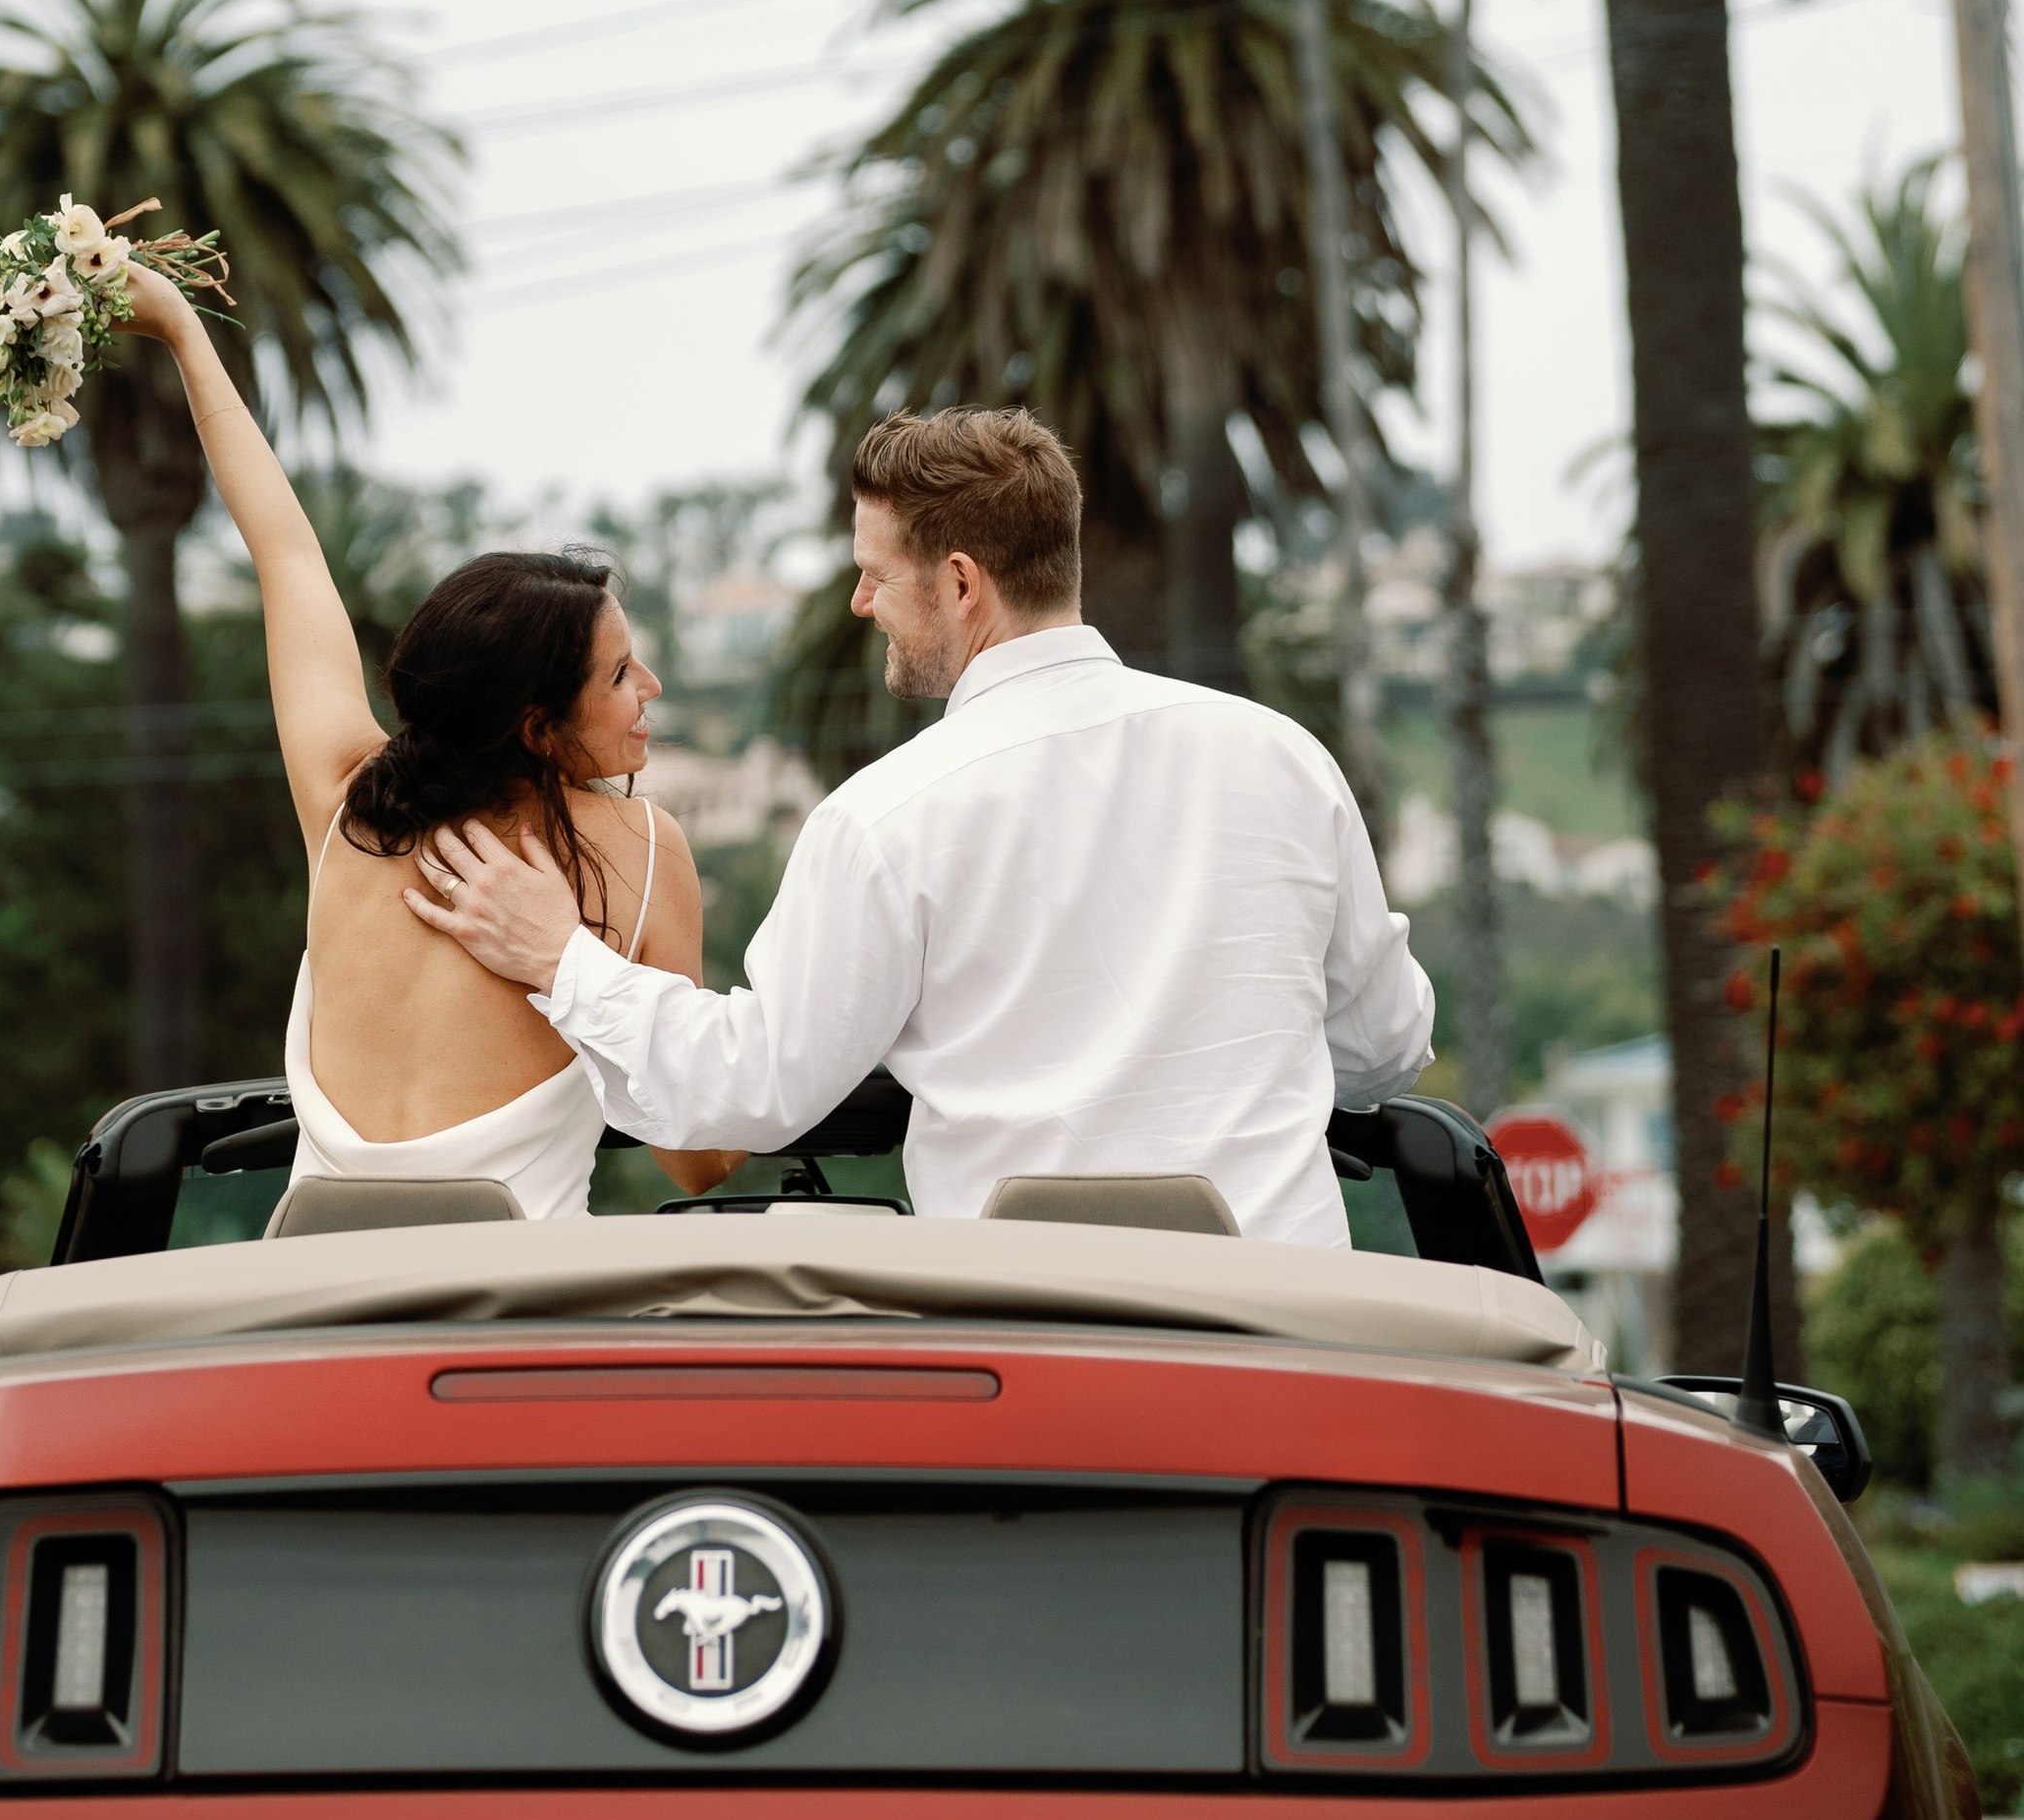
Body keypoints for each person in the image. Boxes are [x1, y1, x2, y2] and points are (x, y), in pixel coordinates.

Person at [409, 403, 1436, 1241]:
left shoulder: (884, 821)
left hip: (1044, 1368)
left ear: (959, 583)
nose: (859, 603)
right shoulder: (1283, 759)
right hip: (1296, 1349)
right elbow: (1387, 1043)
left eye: (875, 573)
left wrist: (560, 957)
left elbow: (752, 1088)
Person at [124, 267, 740, 1214]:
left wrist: (181, 332)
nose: (650, 689)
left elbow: (284, 551)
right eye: (620, 675)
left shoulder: (345, 805)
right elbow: (695, 1161)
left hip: (315, 1314)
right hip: (506, 1333)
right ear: (537, 727)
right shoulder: (643, 848)